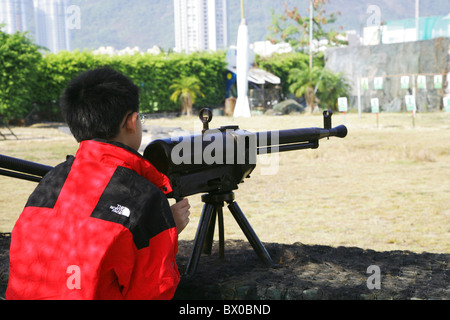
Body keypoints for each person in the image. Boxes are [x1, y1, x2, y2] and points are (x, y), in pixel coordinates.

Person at [6, 67, 191, 300]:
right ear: (132, 122)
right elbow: (154, 291)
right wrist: (166, 228)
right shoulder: (144, 196)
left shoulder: (51, 180)